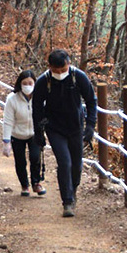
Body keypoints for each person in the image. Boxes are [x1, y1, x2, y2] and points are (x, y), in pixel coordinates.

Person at [32, 49, 96, 218]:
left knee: (76, 165)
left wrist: (90, 125)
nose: (60, 73)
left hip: (76, 127)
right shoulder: (43, 81)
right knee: (64, 162)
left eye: (63, 70)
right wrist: (38, 132)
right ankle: (67, 201)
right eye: (56, 70)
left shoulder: (78, 77)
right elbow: (37, 107)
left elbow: (91, 101)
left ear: (69, 63)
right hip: (54, 128)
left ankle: (73, 189)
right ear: (49, 67)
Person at [2, 70, 46, 197]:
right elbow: (8, 120)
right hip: (17, 134)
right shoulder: (12, 99)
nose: (27, 86)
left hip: (34, 133)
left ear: (35, 83)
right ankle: (24, 185)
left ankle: (36, 182)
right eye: (24, 83)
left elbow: (45, 115)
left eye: (30, 83)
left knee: (35, 157)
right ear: (20, 84)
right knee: (20, 161)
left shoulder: (40, 97)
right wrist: (6, 141)